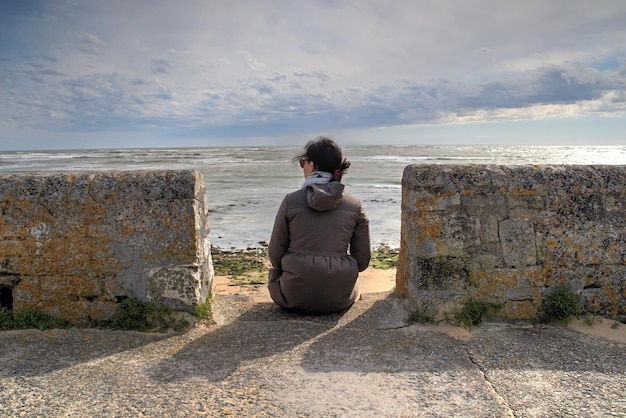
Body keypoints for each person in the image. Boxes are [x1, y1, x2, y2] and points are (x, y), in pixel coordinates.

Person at [268, 137, 371, 314]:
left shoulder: (290, 201)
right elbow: (362, 261)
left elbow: (275, 255)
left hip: (292, 296)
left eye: (303, 163)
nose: (303, 168)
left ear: (312, 165)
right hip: (340, 298)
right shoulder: (355, 205)